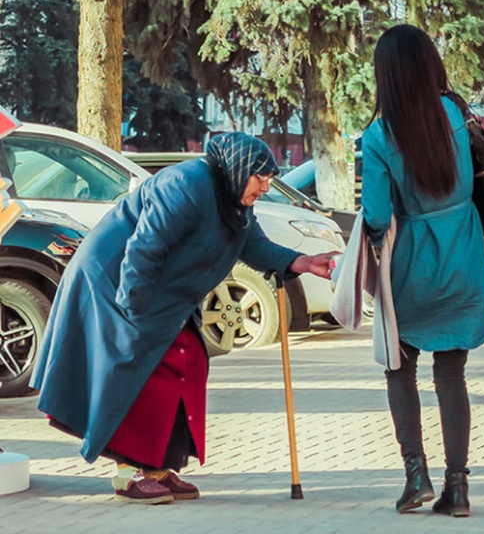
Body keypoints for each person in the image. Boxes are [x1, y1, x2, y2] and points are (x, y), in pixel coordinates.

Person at [29, 132, 336, 504]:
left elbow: (252, 244)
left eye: (269, 178)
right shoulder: (186, 184)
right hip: (115, 281)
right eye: (261, 177)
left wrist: (300, 262)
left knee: (188, 356)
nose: (265, 186)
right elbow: (146, 247)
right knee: (146, 366)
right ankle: (128, 473)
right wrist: (132, 310)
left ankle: (158, 466)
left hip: (153, 288)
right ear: (239, 169)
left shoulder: (235, 201)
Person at [361, 24, 484, 517]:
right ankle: (457, 488)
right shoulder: (456, 115)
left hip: (410, 261)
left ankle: (415, 476)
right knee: (452, 373)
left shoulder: (378, 135)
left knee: (401, 368)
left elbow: (376, 216)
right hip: (462, 250)